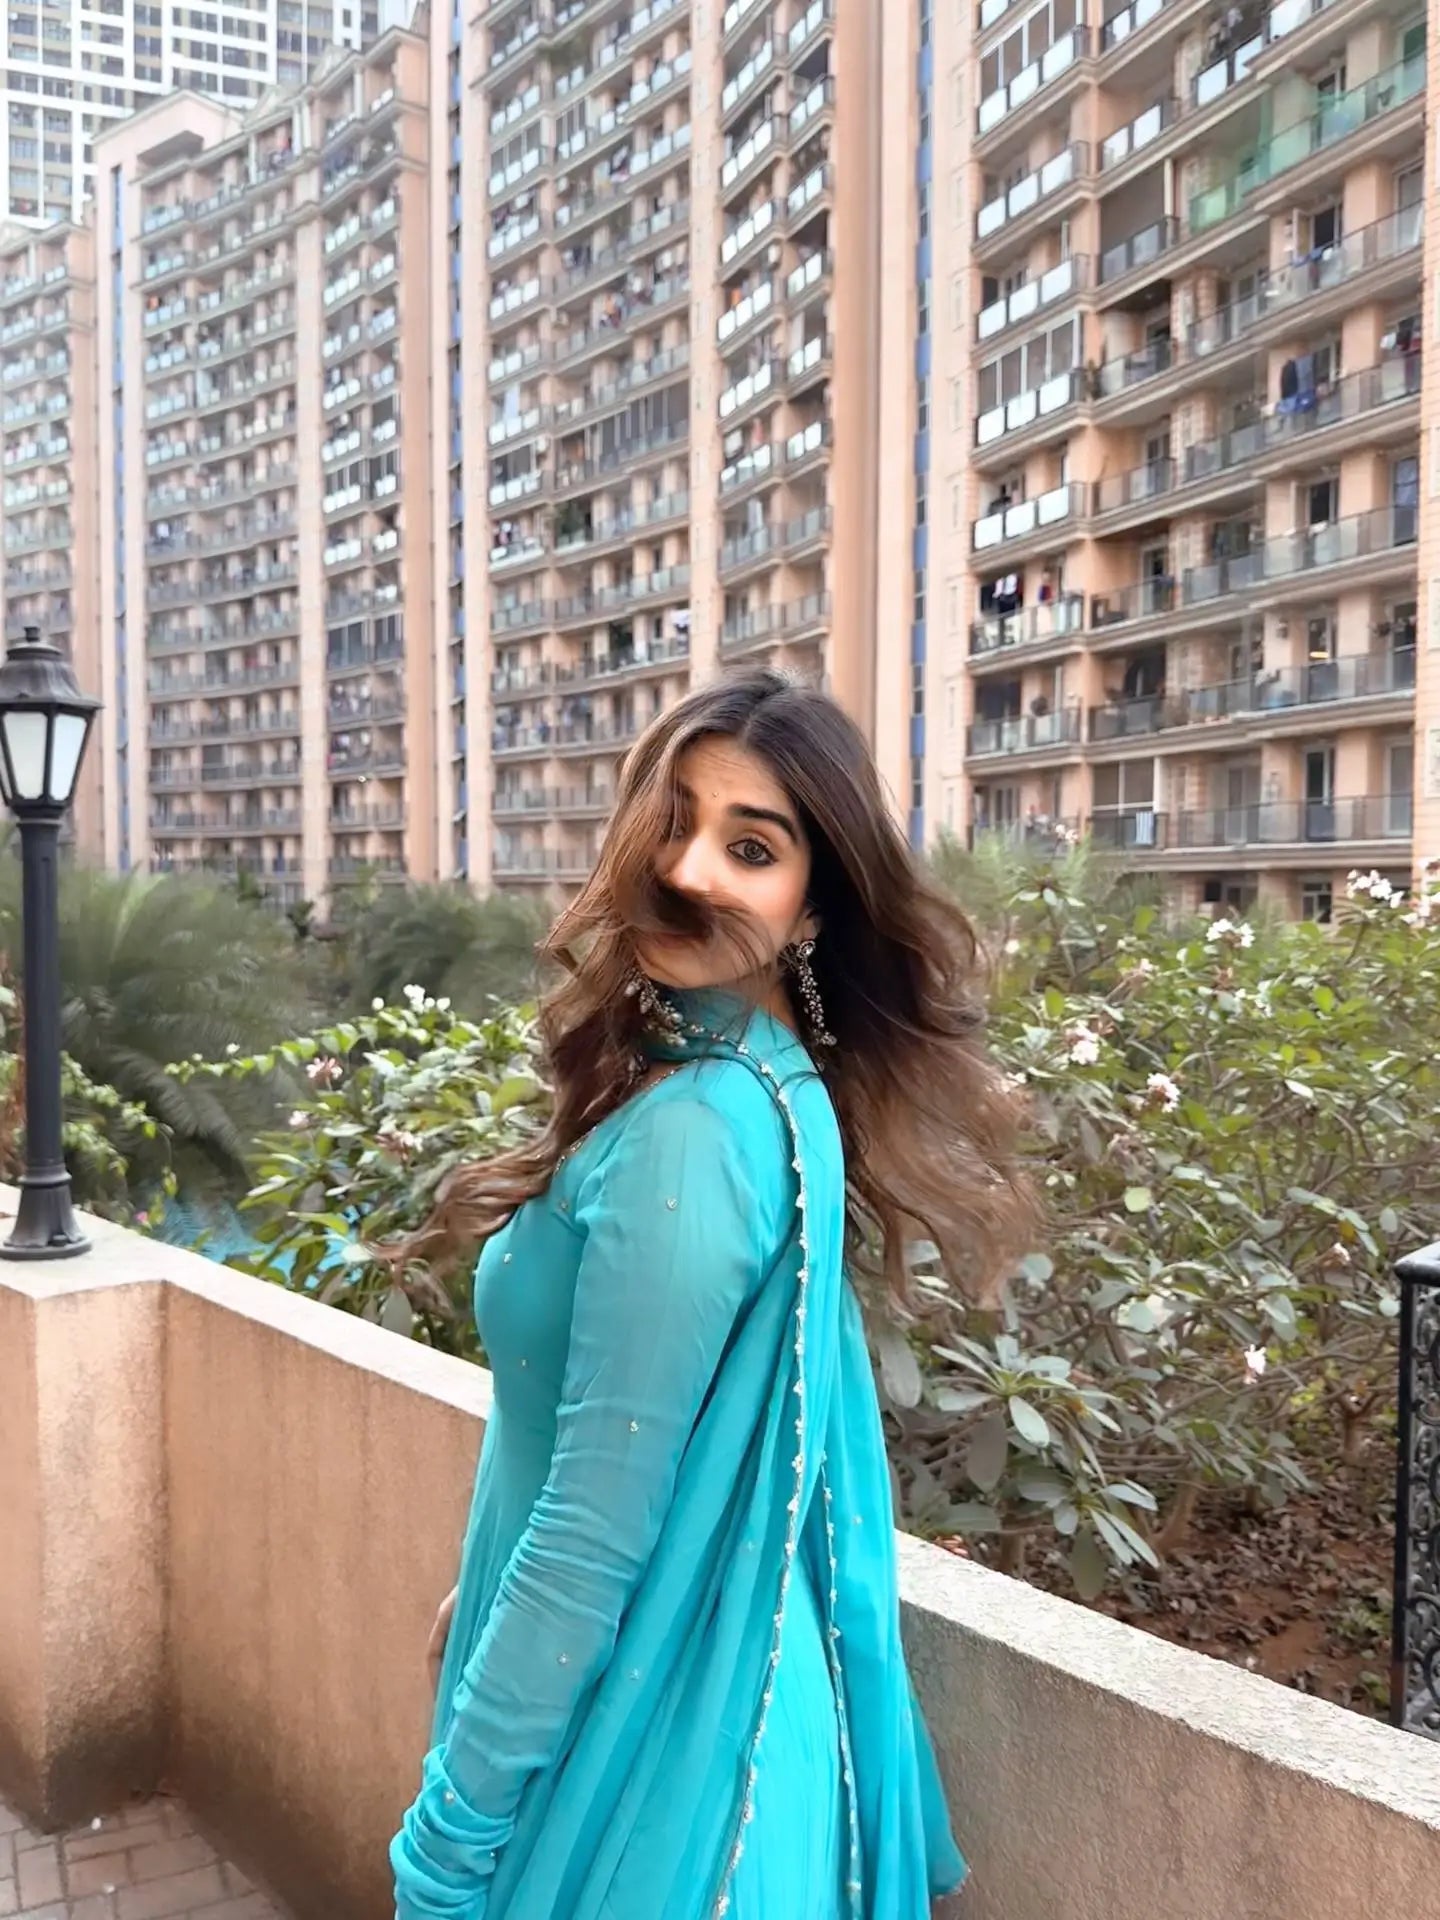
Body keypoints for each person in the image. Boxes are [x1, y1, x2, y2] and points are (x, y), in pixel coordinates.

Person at [388, 668, 1032, 1920]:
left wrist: (446, 1847)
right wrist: (483, 1598)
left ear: (811, 908)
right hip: (703, 1706)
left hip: (654, 1772)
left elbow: (594, 1528)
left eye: (752, 847)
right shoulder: (770, 1084)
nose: (689, 870)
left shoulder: (692, 1131)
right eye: (673, 822)